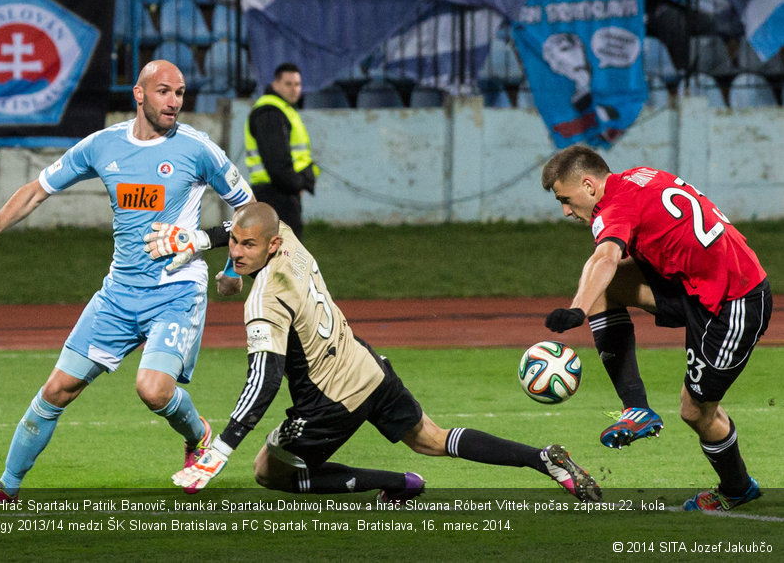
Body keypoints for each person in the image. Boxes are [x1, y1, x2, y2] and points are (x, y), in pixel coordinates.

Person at [149, 203, 601, 503]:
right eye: (235, 245)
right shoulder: (284, 233)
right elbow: (242, 223)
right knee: (433, 440)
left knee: (269, 471)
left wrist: (221, 448)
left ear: (269, 246)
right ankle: (542, 459)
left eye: (248, 246)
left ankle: (393, 483)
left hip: (329, 398)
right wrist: (204, 242)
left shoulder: (264, 301)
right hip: (367, 366)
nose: (239, 250)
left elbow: (263, 381)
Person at [0, 60, 254, 503]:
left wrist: (229, 266)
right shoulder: (102, 146)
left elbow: (253, 214)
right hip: (118, 293)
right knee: (57, 389)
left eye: (180, 93)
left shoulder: (197, 148)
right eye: (164, 91)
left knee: (152, 390)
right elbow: (38, 189)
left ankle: (198, 434)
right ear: (139, 94)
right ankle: (6, 487)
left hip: (175, 290)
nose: (174, 101)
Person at [541, 145, 771, 511]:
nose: (566, 211)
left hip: (734, 302)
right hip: (695, 288)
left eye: (565, 199)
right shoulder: (637, 176)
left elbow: (606, 256)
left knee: (695, 411)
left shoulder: (611, 208)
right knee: (607, 287)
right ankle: (636, 408)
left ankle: (737, 488)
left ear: (588, 185)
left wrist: (577, 310)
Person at [244, 62, 319, 239]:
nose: (294, 89)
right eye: (288, 84)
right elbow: (276, 161)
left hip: (278, 192)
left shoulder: (281, 109)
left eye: (297, 84)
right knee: (283, 257)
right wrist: (297, 183)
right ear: (275, 84)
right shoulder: (271, 112)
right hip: (276, 194)